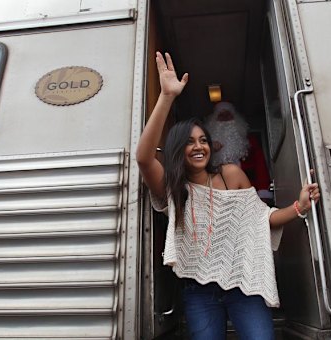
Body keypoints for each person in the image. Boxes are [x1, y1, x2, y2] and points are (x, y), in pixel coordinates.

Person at [136, 51, 320, 340]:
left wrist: (300, 205)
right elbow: (144, 158)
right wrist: (167, 97)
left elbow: (262, 218)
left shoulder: (230, 173)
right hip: (198, 293)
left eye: (203, 140)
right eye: (189, 142)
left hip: (243, 285)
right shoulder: (174, 187)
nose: (198, 147)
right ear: (177, 149)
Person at [204, 101, 249, 167]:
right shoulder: (205, 142)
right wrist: (210, 148)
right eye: (221, 115)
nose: (225, 118)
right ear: (214, 121)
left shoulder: (248, 143)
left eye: (228, 115)